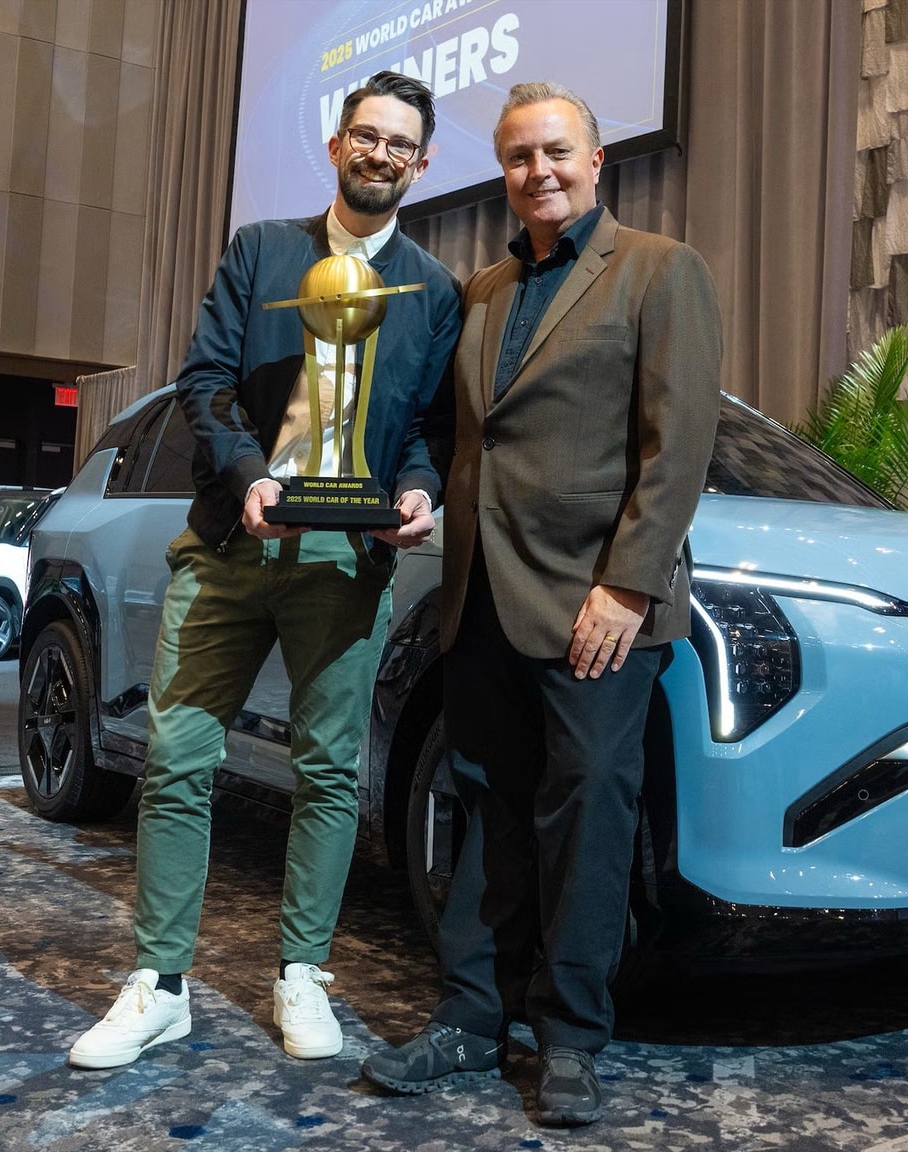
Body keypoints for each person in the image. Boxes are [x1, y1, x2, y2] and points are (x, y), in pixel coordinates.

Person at [67, 71, 461, 1070]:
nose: (380, 154)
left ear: (422, 165)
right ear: (337, 145)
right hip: (232, 542)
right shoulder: (262, 252)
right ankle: (158, 983)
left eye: (400, 144)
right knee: (179, 758)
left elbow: (424, 432)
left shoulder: (435, 291)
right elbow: (204, 379)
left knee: (328, 770)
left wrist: (418, 495)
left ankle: (303, 974)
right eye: (366, 135)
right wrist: (244, 473)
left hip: (346, 559)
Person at [362, 82, 722, 1126]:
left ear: (597, 160)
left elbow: (677, 447)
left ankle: (569, 1037)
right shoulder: (478, 293)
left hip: (595, 612)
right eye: (519, 157)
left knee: (588, 823)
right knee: (487, 814)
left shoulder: (661, 272)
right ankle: (473, 1018)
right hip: (480, 601)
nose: (538, 172)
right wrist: (420, 492)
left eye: (555, 152)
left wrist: (626, 584)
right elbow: (460, 434)